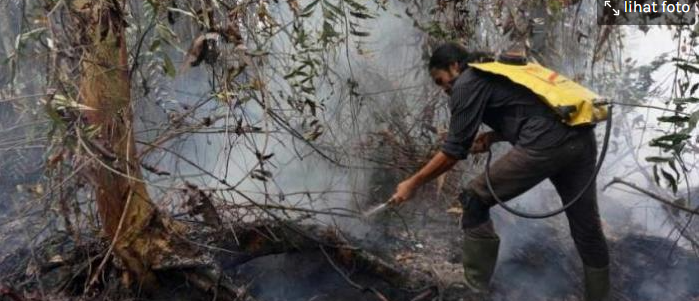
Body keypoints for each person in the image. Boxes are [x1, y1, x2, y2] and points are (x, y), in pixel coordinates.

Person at [389, 42, 610, 301]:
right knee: (587, 226)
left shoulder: (467, 82)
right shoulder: (494, 72)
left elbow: (453, 151)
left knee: (474, 197)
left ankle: (473, 290)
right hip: (580, 139)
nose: (444, 89)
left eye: (441, 81)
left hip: (547, 143)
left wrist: (413, 183)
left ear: (453, 66)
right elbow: (532, 109)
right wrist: (492, 138)